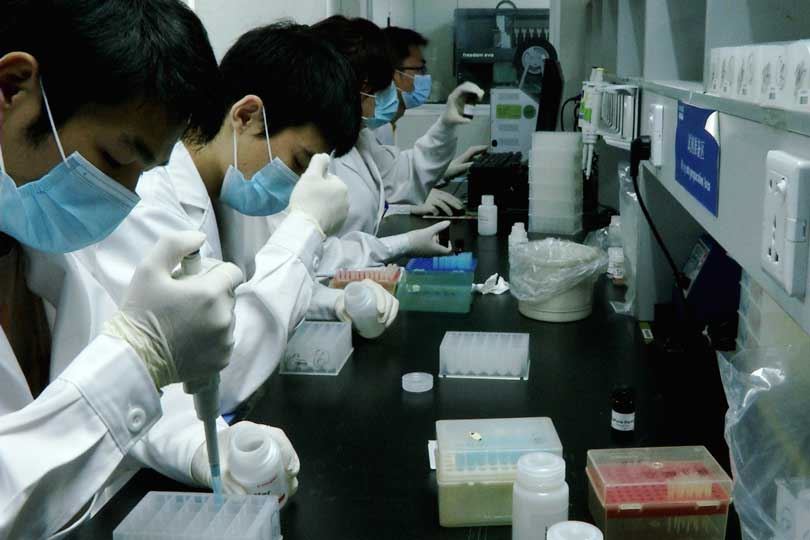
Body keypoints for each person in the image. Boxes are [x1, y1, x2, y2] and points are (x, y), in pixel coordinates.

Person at [26, 22, 395, 484]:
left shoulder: (233, 188)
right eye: (299, 162)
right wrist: (306, 229)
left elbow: (249, 294)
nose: (298, 185)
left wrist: (336, 301)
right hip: (123, 472)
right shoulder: (145, 199)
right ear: (247, 116)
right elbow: (214, 362)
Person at [0, 1, 247, 537]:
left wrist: (209, 447)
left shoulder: (32, 232)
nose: (124, 197)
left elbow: (96, 399)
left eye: (145, 171)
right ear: (12, 87)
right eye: (115, 158)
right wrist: (140, 354)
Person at [311, 16, 485, 237]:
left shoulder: (359, 138)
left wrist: (446, 125)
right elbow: (327, 247)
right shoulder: (315, 151)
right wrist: (402, 241)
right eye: (379, 86)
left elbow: (403, 176)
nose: (386, 91)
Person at [381, 26, 489, 217]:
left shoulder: (385, 124)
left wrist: (443, 172)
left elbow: (393, 178)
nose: (425, 77)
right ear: (395, 75)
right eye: (419, 69)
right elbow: (364, 200)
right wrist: (405, 208)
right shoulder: (370, 127)